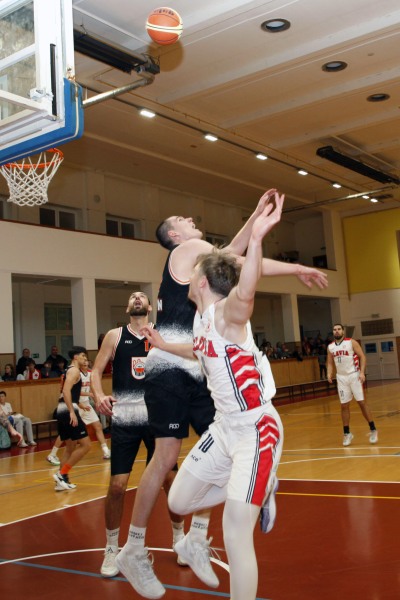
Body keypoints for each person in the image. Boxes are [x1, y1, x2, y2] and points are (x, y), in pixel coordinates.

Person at [114, 189, 327, 599]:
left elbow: (234, 267)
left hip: (220, 392)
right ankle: (134, 548)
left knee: (204, 479)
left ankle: (208, 526)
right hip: (174, 372)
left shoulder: (214, 310)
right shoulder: (188, 251)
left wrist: (256, 222)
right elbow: (235, 262)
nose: (190, 219)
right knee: (167, 460)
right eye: (182, 219)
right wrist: (293, 264)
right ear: (175, 235)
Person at [141, 198, 285, 600]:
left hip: (256, 428)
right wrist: (164, 345)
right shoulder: (202, 320)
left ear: (202, 281)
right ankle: (256, 488)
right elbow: (198, 349)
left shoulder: (227, 313)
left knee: (236, 534)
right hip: (224, 429)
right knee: (179, 500)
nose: (187, 273)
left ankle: (256, 487)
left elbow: (246, 284)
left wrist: (257, 236)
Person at [91, 291, 184, 580]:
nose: (137, 299)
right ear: (127, 307)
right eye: (133, 297)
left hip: (157, 419)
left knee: (170, 482)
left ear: (149, 306)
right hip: (125, 419)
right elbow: (95, 371)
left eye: (142, 296)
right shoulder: (115, 336)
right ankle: (111, 548)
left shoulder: (160, 335)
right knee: (117, 487)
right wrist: (99, 395)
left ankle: (179, 538)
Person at [327, 324, 377, 446]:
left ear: (343, 331)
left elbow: (362, 357)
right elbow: (329, 362)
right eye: (334, 330)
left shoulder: (351, 342)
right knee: (344, 405)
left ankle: (373, 429)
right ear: (333, 332)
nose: (337, 331)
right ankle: (347, 433)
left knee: (361, 403)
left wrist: (362, 372)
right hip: (341, 378)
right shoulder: (330, 347)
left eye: (339, 329)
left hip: (354, 375)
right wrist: (329, 373)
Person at [52, 346, 91, 491]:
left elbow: (70, 393)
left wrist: (78, 404)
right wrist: (72, 411)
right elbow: (66, 390)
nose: (85, 359)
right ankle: (62, 473)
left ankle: (61, 481)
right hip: (67, 410)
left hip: (62, 408)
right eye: (83, 356)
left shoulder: (69, 370)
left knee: (70, 447)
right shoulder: (74, 371)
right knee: (86, 445)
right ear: (75, 357)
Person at [78, 357, 110, 459]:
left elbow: (93, 389)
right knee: (68, 433)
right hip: (76, 405)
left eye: (86, 361)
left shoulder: (91, 374)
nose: (85, 363)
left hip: (86, 404)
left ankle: (106, 450)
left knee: (98, 426)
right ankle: (53, 453)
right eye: (83, 361)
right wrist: (89, 394)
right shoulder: (76, 374)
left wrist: (97, 402)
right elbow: (74, 392)